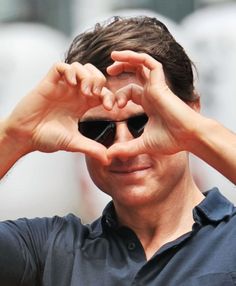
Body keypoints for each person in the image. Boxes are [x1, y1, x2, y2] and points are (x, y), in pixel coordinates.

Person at [0, 16, 236, 286]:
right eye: (98, 129)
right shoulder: (51, 251)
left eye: (143, 122)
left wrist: (197, 132)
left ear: (190, 113)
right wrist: (14, 135)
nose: (122, 147)